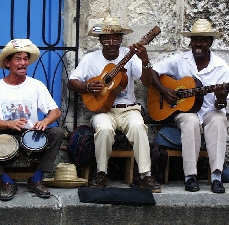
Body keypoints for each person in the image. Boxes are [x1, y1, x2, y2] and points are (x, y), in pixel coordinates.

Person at [67, 17, 161, 193]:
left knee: (139, 127)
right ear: (100, 40)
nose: (111, 43)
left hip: (128, 109)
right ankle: (101, 173)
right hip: (102, 110)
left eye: (115, 38)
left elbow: (148, 82)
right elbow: (71, 82)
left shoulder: (130, 56)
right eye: (106, 38)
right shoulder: (90, 59)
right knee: (103, 129)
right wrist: (87, 87)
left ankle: (146, 175)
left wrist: (145, 59)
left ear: (121, 39)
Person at [0, 39, 64, 201]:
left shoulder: (36, 85)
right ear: (7, 63)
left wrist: (45, 121)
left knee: (58, 132)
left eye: (25, 59)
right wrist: (8, 124)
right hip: (3, 136)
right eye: (18, 59)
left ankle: (36, 179)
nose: (23, 63)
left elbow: (56, 111)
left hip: (31, 135)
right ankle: (6, 181)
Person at [145, 19, 229, 193]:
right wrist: (163, 91)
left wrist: (221, 98)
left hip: (210, 111)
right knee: (190, 121)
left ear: (211, 42)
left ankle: (216, 176)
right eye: (195, 39)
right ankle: (190, 177)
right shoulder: (180, 60)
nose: (199, 43)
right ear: (190, 41)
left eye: (204, 40)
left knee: (219, 119)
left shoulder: (221, 67)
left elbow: (220, 104)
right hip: (185, 112)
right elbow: (152, 71)